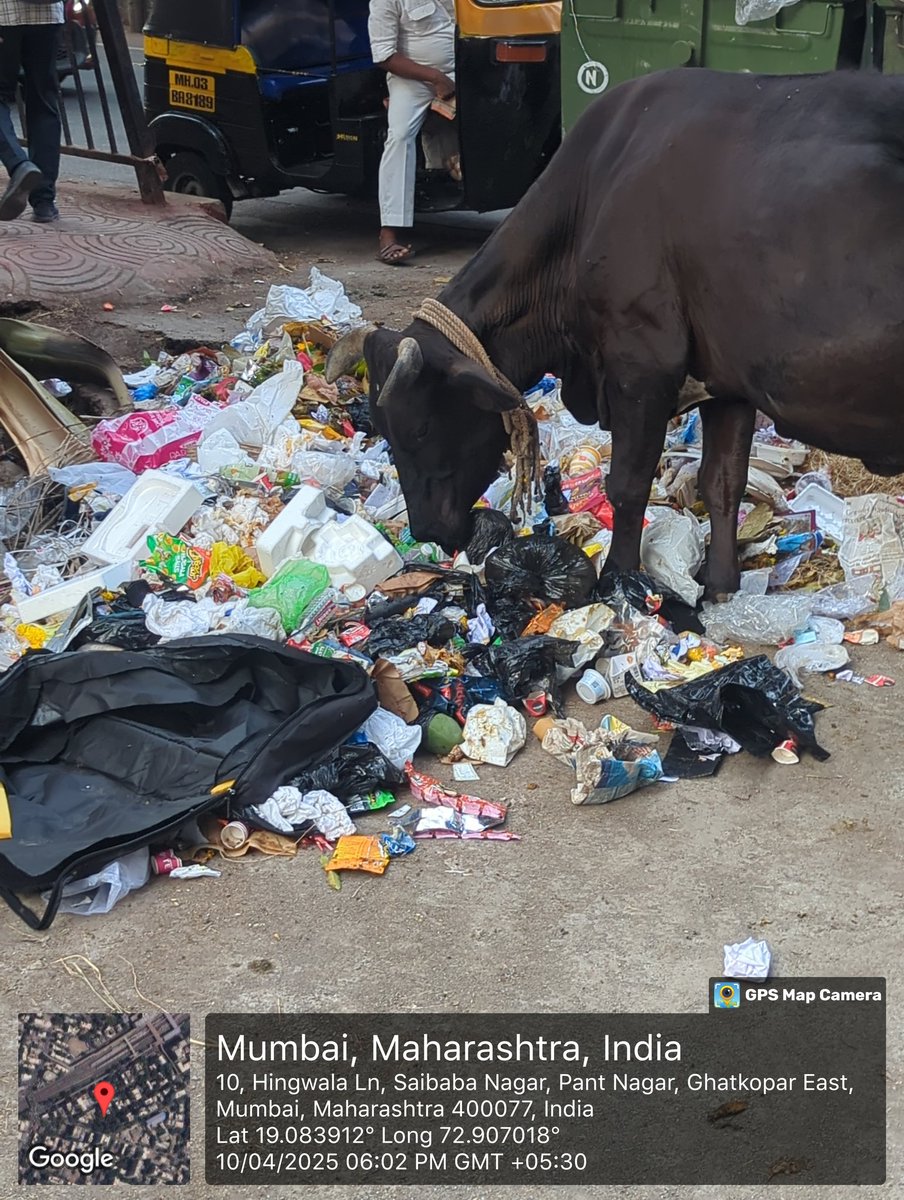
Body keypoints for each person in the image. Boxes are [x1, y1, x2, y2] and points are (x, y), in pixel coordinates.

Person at [368, 0, 457, 264]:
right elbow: (385, 55)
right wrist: (436, 78)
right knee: (400, 135)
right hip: (413, 80)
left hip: (461, 70)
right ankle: (388, 233)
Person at [0, 0, 63, 223]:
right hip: (48, 16)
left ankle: (19, 164)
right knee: (42, 101)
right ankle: (44, 201)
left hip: (5, 16)